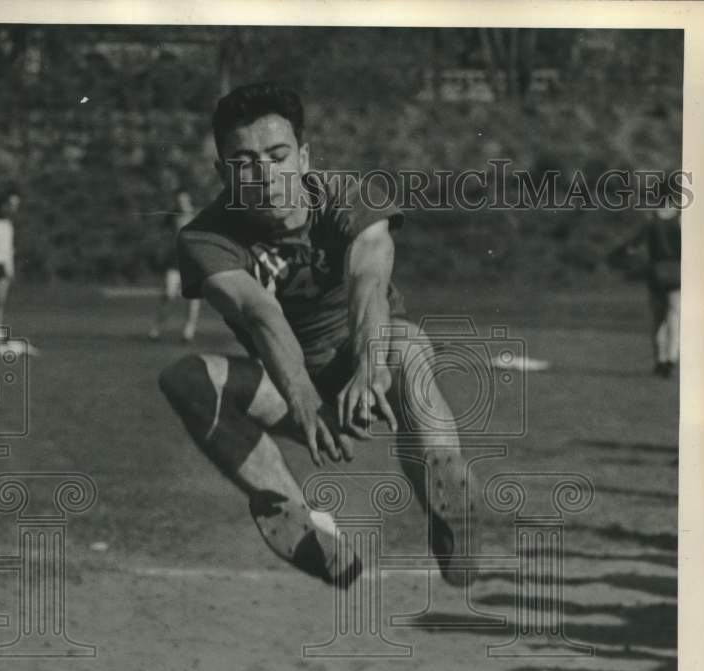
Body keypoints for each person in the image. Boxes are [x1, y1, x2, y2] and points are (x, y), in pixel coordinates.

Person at [159, 82, 475, 588]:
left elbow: (368, 281)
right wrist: (303, 398)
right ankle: (298, 519)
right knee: (185, 378)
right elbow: (261, 313)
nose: (263, 174)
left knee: (409, 344)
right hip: (285, 384)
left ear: (303, 158)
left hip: (369, 364)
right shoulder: (204, 238)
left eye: (277, 155)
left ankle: (447, 501)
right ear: (223, 173)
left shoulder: (352, 196)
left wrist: (369, 371)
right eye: (243, 161)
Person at [608, 177, 681, 378]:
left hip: (656, 272)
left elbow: (632, 245)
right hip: (677, 273)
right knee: (674, 318)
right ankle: (671, 360)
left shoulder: (651, 219)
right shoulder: (681, 218)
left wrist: (619, 252)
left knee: (658, 320)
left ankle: (659, 360)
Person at [0, 188, 36, 355]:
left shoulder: (8, 226)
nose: (13, 208)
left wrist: (9, 271)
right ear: (2, 204)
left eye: (15, 205)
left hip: (2, 267)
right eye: (10, 204)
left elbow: (8, 251)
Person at [148, 188, 201, 343]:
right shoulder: (172, 216)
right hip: (174, 262)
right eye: (178, 201)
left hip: (193, 262)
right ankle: (157, 328)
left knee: (193, 298)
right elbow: (161, 233)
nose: (181, 203)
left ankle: (188, 332)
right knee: (168, 295)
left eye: (184, 200)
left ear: (189, 199)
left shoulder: (199, 214)